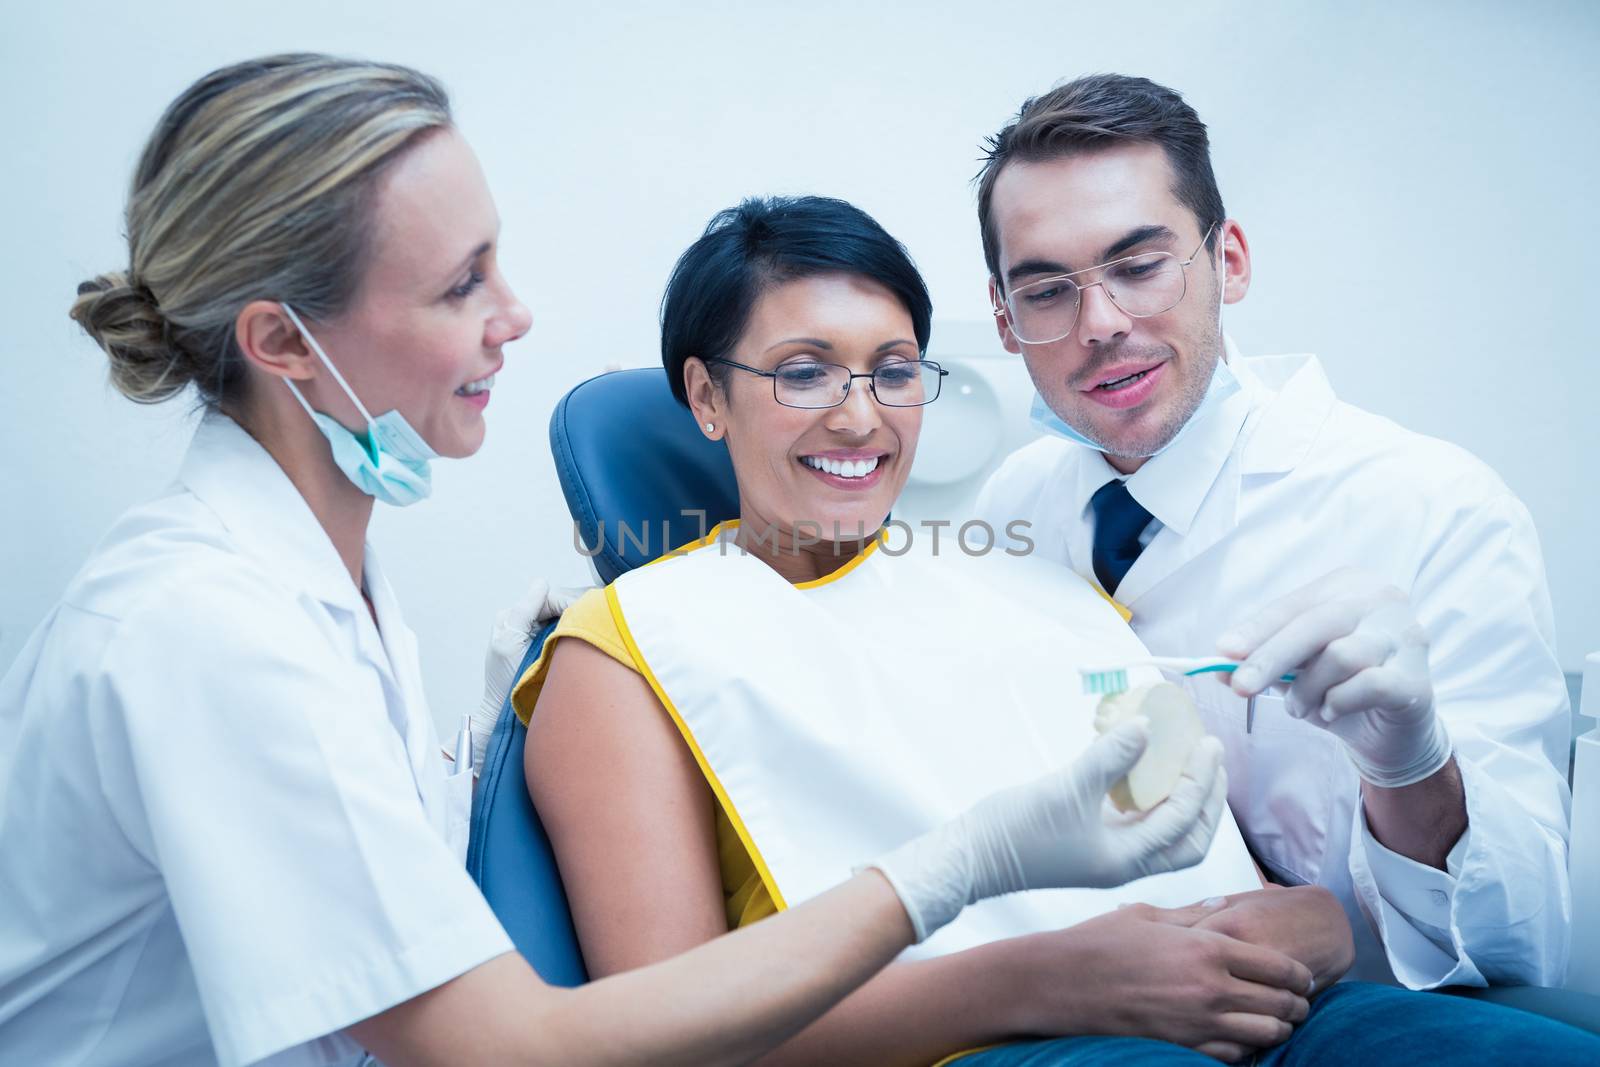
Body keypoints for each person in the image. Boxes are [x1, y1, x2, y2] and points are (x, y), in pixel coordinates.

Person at [0, 56, 1229, 1067]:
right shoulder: (204, 625)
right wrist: (965, 873)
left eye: (893, 366)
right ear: (281, 340)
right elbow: (508, 1045)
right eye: (458, 282)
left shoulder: (324, 588)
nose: (515, 312)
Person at [521, 195, 1599, 1066]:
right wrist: (1052, 979)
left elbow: (1196, 850)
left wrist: (1314, 921)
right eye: (804, 371)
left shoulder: (1033, 570)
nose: (860, 414)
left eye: (895, 369)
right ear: (707, 397)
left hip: (1271, 1017)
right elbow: (653, 1039)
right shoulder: (625, 644)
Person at [970, 74, 1578, 1050]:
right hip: (1096, 1012)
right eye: (1047, 289)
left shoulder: (1430, 505)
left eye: (1139, 264)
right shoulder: (1011, 507)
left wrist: (1408, 758)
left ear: (1229, 259)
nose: (1100, 323)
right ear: (1005, 321)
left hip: (1348, 1018)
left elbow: (1524, 941)